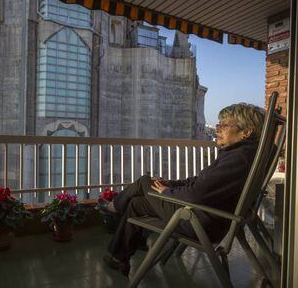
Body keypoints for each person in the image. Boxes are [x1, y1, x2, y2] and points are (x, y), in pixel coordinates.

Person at [102, 103, 265, 276]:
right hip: (211, 215)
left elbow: (196, 194)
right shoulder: (245, 154)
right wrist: (171, 184)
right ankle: (121, 256)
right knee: (137, 202)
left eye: (224, 125)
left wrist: (166, 192)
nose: (218, 129)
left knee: (144, 181)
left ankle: (115, 207)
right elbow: (200, 183)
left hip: (200, 221)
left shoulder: (237, 159)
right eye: (218, 124)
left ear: (246, 132)